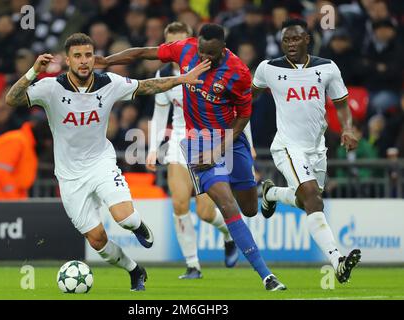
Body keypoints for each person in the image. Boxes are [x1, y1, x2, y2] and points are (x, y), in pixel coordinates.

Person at [5, 33, 210, 291]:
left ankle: (138, 225)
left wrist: (180, 79)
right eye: (77, 56)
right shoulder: (51, 88)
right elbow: (11, 99)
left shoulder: (108, 83)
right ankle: (135, 270)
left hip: (101, 162)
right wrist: (34, 71)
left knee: (125, 218)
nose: (84, 61)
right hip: (69, 176)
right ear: (68, 60)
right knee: (97, 239)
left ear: (94, 58)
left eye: (88, 55)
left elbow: (146, 86)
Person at [96, 23, 286, 291]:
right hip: (196, 142)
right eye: (200, 50)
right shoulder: (185, 51)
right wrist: (107, 60)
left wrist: (220, 149)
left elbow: (244, 116)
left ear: (222, 48)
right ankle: (265, 275)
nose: (203, 58)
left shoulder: (238, 72)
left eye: (209, 53)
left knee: (249, 209)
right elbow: (142, 53)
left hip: (230, 139)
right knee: (224, 204)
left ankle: (267, 195)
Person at [251, 19, 361, 283]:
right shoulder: (268, 68)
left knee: (306, 201)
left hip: (317, 148)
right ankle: (338, 261)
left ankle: (272, 193)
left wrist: (347, 128)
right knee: (313, 197)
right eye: (286, 40)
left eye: (296, 39)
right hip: (287, 146)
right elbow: (249, 97)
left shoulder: (327, 67)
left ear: (307, 40)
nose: (290, 44)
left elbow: (341, 103)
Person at [146, 22, 239, 279]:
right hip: (178, 139)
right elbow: (159, 113)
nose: (175, 49)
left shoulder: (212, 69)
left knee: (206, 212)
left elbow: (238, 109)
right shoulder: (163, 75)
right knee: (179, 202)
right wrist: (153, 148)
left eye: (180, 42)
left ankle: (228, 234)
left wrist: (246, 146)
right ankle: (192, 265)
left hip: (205, 139)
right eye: (170, 44)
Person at [0, 120, 41, 200]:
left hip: (3, 197)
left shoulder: (23, 141)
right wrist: (14, 198)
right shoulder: (17, 140)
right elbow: (2, 171)